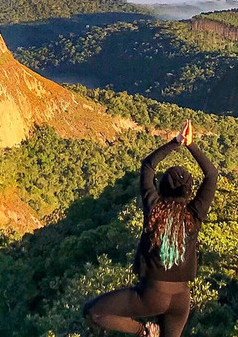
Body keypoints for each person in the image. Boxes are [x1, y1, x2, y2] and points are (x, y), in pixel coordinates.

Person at [81, 120, 218, 337]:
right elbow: (211, 175)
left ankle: (144, 333)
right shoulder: (194, 215)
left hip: (153, 294)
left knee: (93, 312)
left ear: (161, 186)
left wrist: (176, 142)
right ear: (189, 192)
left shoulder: (154, 208)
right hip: (181, 299)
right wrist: (191, 145)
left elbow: (148, 166)